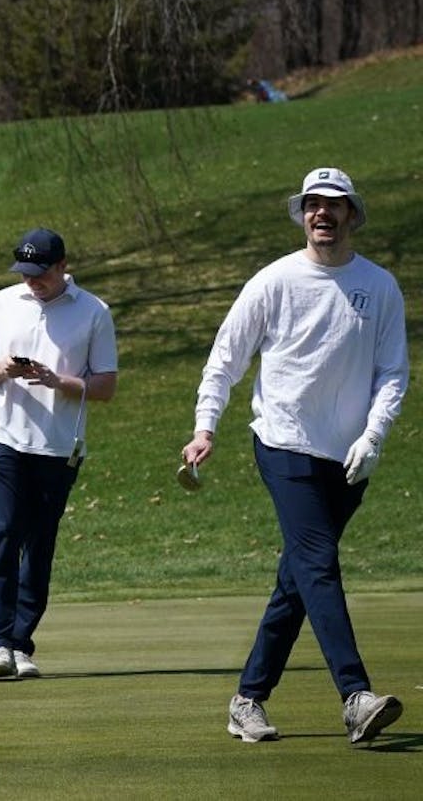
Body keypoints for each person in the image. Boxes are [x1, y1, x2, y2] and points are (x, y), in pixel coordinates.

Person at [181, 167, 407, 746]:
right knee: (318, 561)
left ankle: (247, 699)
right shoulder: (273, 281)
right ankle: (356, 697)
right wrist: (206, 426)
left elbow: (392, 373)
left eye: (333, 206)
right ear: (302, 214)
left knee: (299, 578)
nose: (322, 215)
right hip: (283, 443)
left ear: (353, 215)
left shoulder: (379, 286)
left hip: (349, 457)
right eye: (312, 205)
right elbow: (225, 359)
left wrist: (374, 435)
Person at [0, 228, 118, 680]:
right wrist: (3, 370)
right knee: (2, 532)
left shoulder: (93, 311)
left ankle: (20, 643)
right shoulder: (1, 303)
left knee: (39, 543)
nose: (32, 282)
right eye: (26, 274)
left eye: (41, 274)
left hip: (57, 445)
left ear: (62, 266)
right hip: (2, 438)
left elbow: (106, 386)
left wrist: (60, 383)